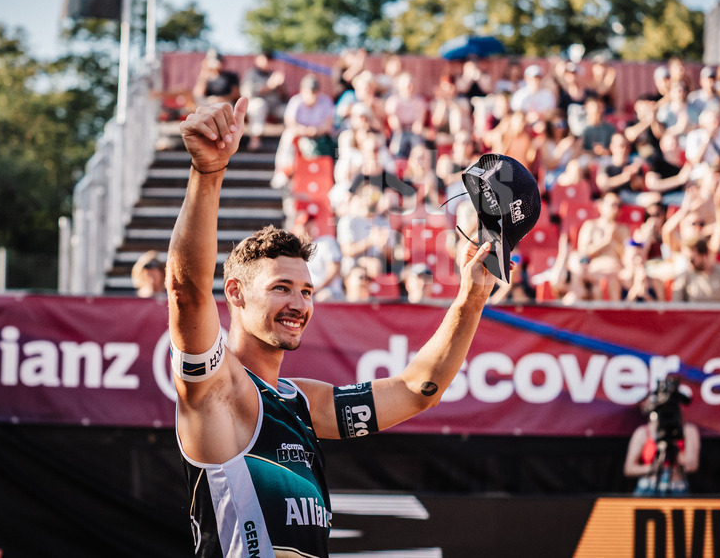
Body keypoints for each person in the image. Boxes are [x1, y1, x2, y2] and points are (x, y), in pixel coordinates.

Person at [167, 97, 497, 557]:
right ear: (236, 293)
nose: (299, 304)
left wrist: (470, 298)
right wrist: (208, 174)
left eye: (307, 291)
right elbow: (186, 291)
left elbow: (417, 390)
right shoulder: (218, 390)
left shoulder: (303, 403)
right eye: (281, 288)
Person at [623, 377, 700, 496]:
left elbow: (691, 466)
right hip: (648, 488)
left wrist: (673, 451)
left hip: (677, 488)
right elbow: (629, 468)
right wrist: (653, 468)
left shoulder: (688, 431)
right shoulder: (643, 432)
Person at [240, 51, 286, 151]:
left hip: (274, 106)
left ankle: (288, 144)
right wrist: (270, 85)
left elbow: (284, 97)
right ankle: (255, 141)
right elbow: (248, 93)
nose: (267, 62)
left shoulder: (274, 74)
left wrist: (280, 86)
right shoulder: (251, 74)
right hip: (255, 104)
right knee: (260, 105)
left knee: (287, 109)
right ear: (257, 60)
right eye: (265, 59)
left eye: (269, 60)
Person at [670, 237, 720, 304]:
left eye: (692, 260)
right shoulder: (683, 277)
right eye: (686, 259)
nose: (689, 263)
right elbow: (676, 305)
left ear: (704, 255)